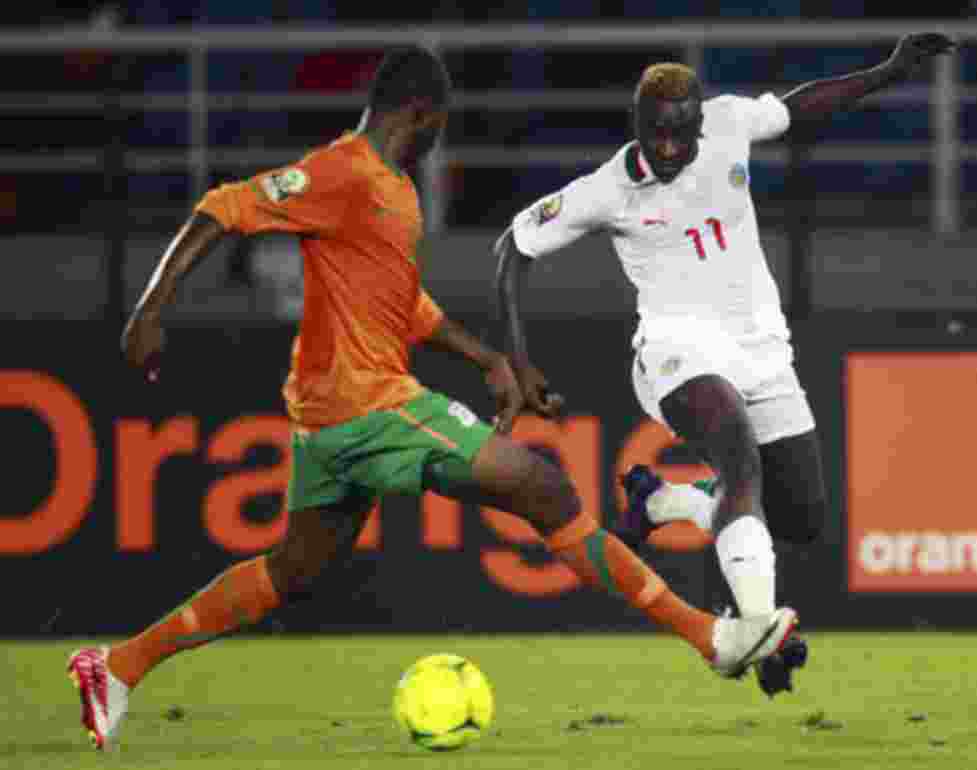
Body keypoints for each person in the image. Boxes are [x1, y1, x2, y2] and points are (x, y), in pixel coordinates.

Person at [67, 45, 798, 752]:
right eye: (441, 123)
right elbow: (226, 206)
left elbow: (403, 306)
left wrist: (488, 359)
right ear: (420, 112)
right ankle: (713, 638)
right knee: (544, 489)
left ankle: (119, 666)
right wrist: (151, 307)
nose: (442, 137)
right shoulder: (344, 172)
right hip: (372, 408)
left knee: (288, 571)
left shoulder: (391, 191)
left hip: (326, 424)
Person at [494, 33, 956, 698]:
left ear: (700, 122)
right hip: (676, 352)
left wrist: (889, 69)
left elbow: (803, 105)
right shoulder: (607, 190)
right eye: (658, 135)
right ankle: (760, 629)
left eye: (682, 134)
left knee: (800, 517)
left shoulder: (730, 126)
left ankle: (666, 500)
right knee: (740, 456)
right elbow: (512, 248)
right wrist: (518, 362)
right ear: (638, 125)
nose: (671, 149)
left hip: (762, 348)